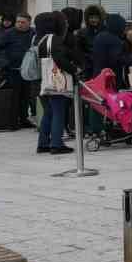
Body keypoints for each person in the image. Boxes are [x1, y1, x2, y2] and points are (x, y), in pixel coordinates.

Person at [33, 11, 76, 155]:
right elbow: (59, 59)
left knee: (49, 112)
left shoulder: (37, 38)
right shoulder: (53, 39)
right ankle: (57, 143)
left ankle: (43, 143)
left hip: (41, 81)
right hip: (55, 82)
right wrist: (74, 69)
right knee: (59, 111)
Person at [0, 13, 36, 124]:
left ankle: (24, 118)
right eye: (18, 22)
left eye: (23, 22)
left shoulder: (33, 33)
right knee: (14, 96)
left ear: (29, 23)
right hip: (12, 70)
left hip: (28, 71)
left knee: (27, 96)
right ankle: (13, 120)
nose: (20, 24)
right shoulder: (8, 33)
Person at [89, 14, 132, 88]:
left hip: (98, 74)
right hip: (110, 77)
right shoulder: (115, 40)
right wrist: (131, 59)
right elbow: (116, 59)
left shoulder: (99, 36)